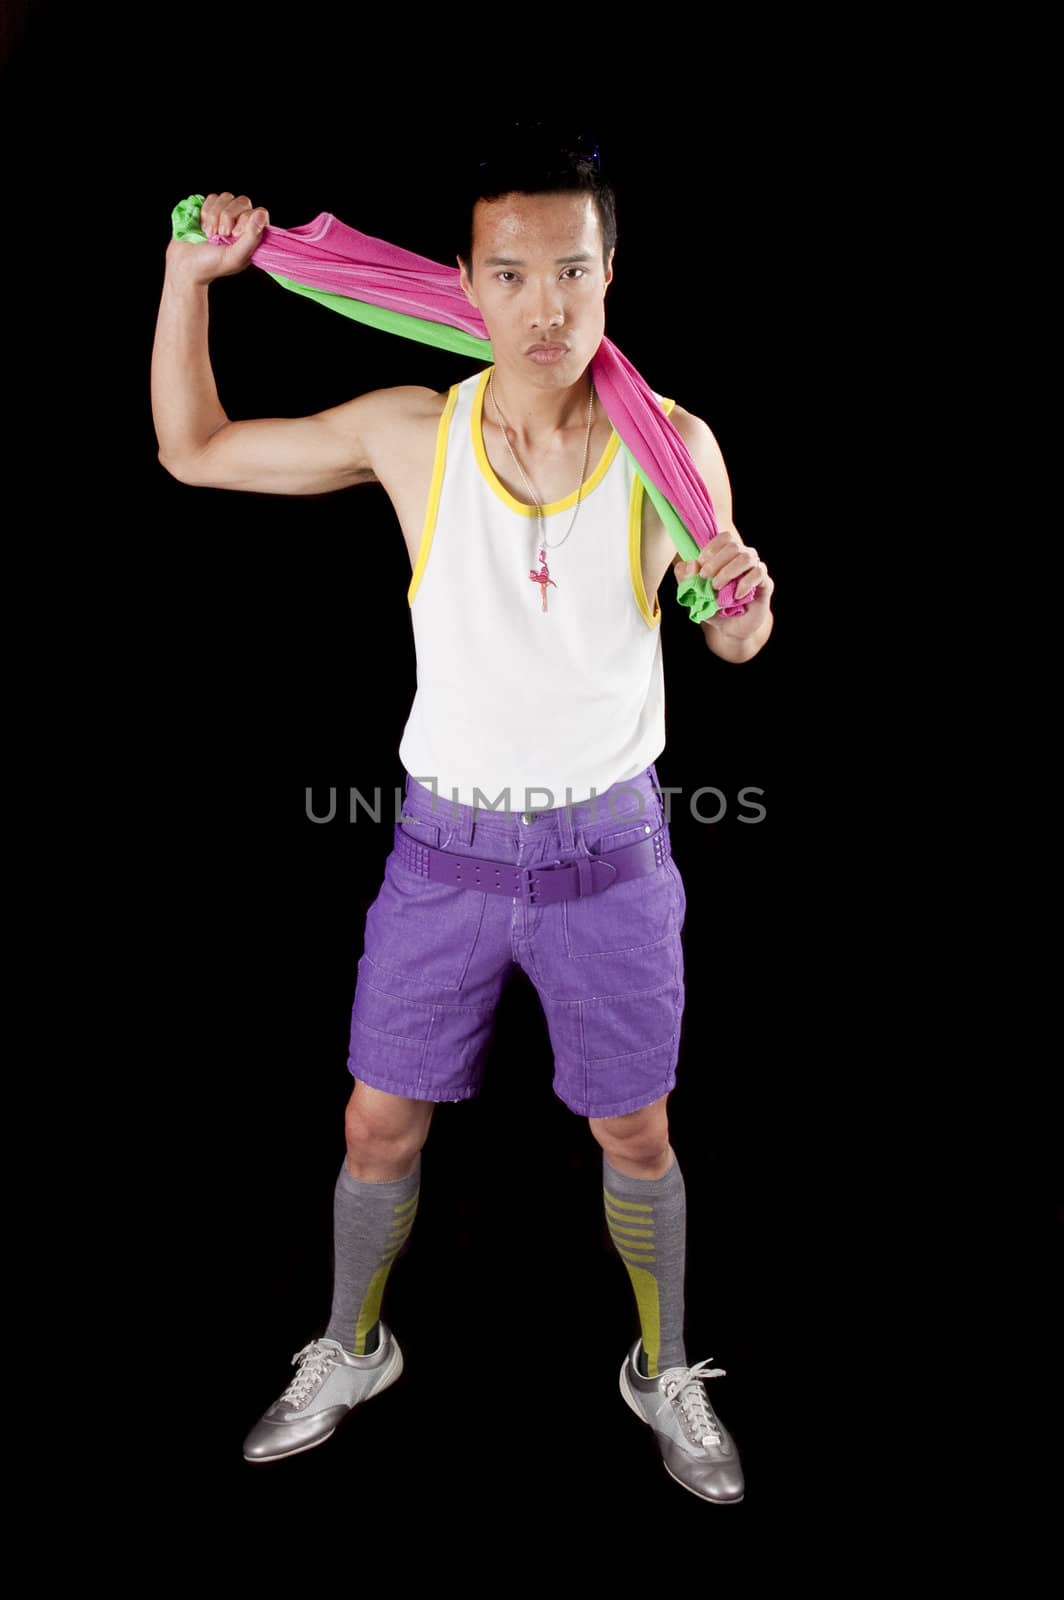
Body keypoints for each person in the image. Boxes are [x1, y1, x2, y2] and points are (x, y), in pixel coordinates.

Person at [152, 128, 774, 1505]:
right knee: (377, 1125)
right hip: (446, 857)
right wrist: (191, 277)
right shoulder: (415, 436)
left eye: (573, 271)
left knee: (639, 1137)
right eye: (513, 273)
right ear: (465, 284)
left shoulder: (673, 449)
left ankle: (664, 1366)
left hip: (611, 859)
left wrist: (747, 606)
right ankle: (350, 1344)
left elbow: (724, 633)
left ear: (612, 275)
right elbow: (191, 451)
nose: (546, 305)